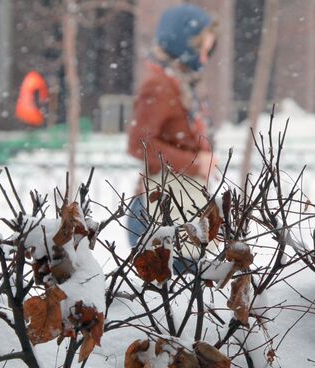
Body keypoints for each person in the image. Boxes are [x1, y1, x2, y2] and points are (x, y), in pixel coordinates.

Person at [127, 4, 218, 272]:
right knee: (174, 305)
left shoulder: (183, 84)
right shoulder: (161, 85)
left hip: (176, 206)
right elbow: (139, 144)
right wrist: (195, 161)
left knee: (183, 304)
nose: (205, 57)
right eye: (202, 47)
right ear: (183, 42)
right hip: (159, 211)